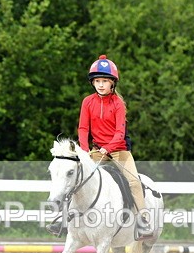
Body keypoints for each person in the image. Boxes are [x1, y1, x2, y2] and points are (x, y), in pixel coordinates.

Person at [47, 54, 153, 240]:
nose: (101, 84)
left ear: (113, 83)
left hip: (119, 150)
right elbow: (83, 128)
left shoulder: (118, 104)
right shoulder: (87, 102)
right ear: (93, 83)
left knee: (134, 181)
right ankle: (62, 219)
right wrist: (84, 151)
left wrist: (108, 148)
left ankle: (143, 221)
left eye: (105, 80)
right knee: (75, 178)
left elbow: (120, 133)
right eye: (97, 81)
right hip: (96, 150)